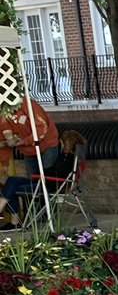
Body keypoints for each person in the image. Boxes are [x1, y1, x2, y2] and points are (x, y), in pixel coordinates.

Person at [0, 97, 60, 228]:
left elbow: (42, 127)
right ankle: (36, 215)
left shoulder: (27, 104)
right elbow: (3, 141)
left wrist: (25, 140)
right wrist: (4, 163)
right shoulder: (2, 114)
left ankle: (51, 215)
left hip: (47, 144)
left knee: (47, 181)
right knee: (33, 184)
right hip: (28, 151)